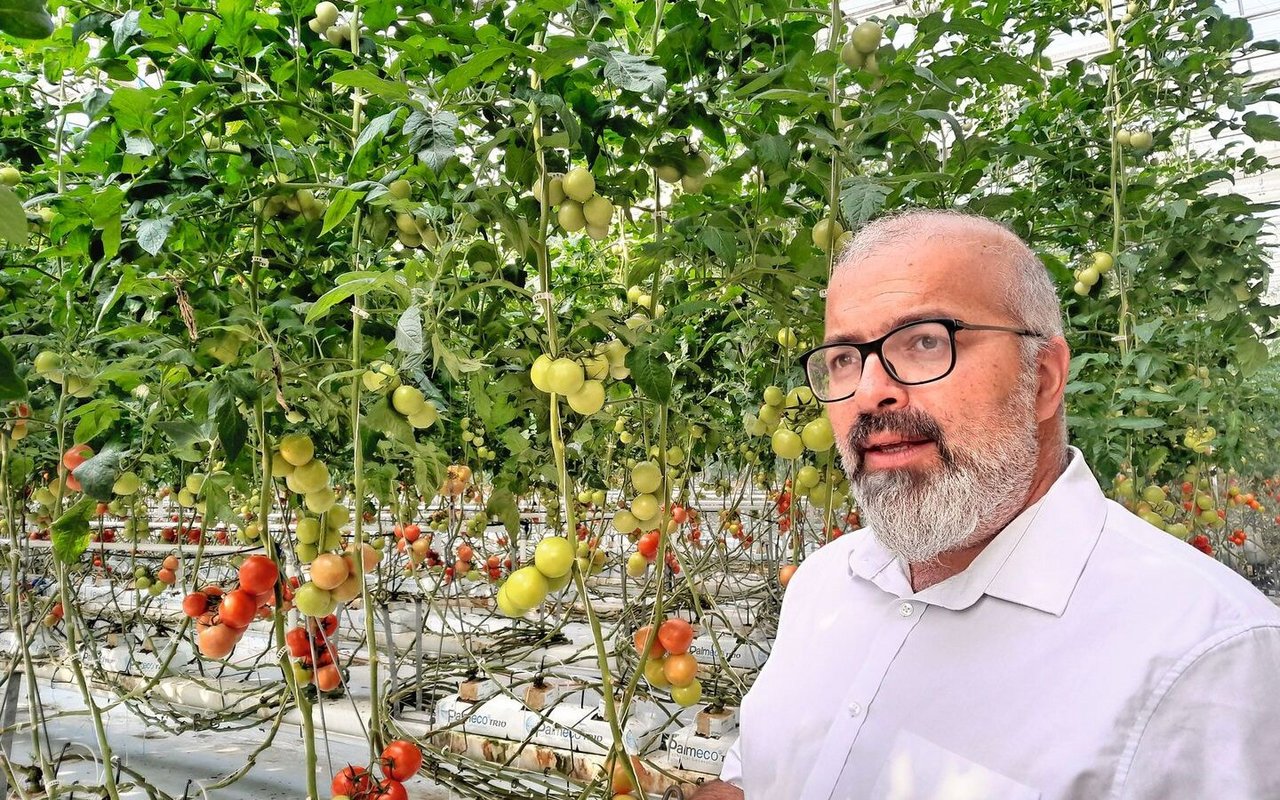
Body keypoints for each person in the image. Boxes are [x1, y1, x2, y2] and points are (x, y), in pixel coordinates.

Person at [690, 210, 1280, 799]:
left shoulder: (1207, 659)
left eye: (924, 341)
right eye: (844, 358)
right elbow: (761, 775)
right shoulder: (822, 585)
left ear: (1043, 378)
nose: (870, 391)